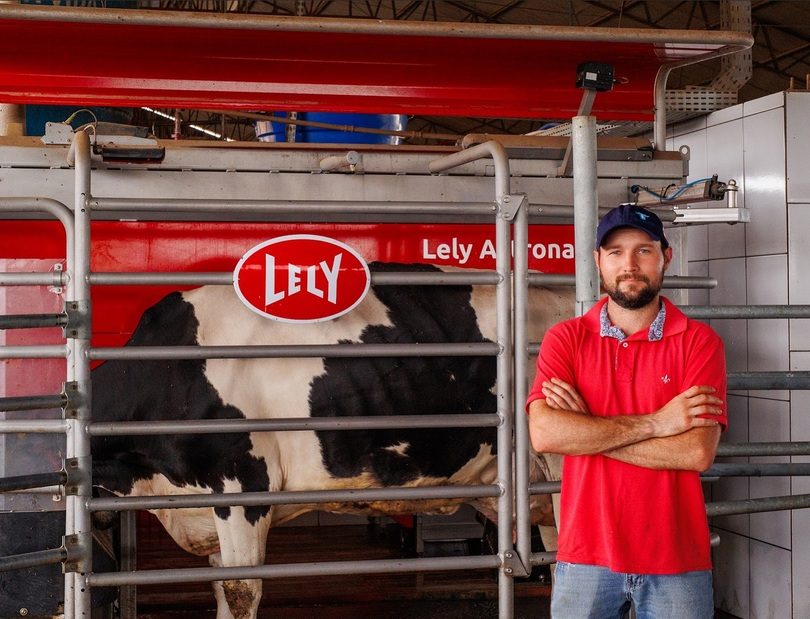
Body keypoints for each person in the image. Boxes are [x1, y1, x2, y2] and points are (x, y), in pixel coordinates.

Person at [527, 203, 727, 619]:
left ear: (666, 257)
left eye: (644, 251)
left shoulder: (699, 342)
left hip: (676, 556)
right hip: (586, 553)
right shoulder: (566, 339)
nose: (629, 265)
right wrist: (658, 423)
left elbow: (695, 453)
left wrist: (586, 433)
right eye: (616, 252)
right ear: (598, 260)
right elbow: (545, 435)